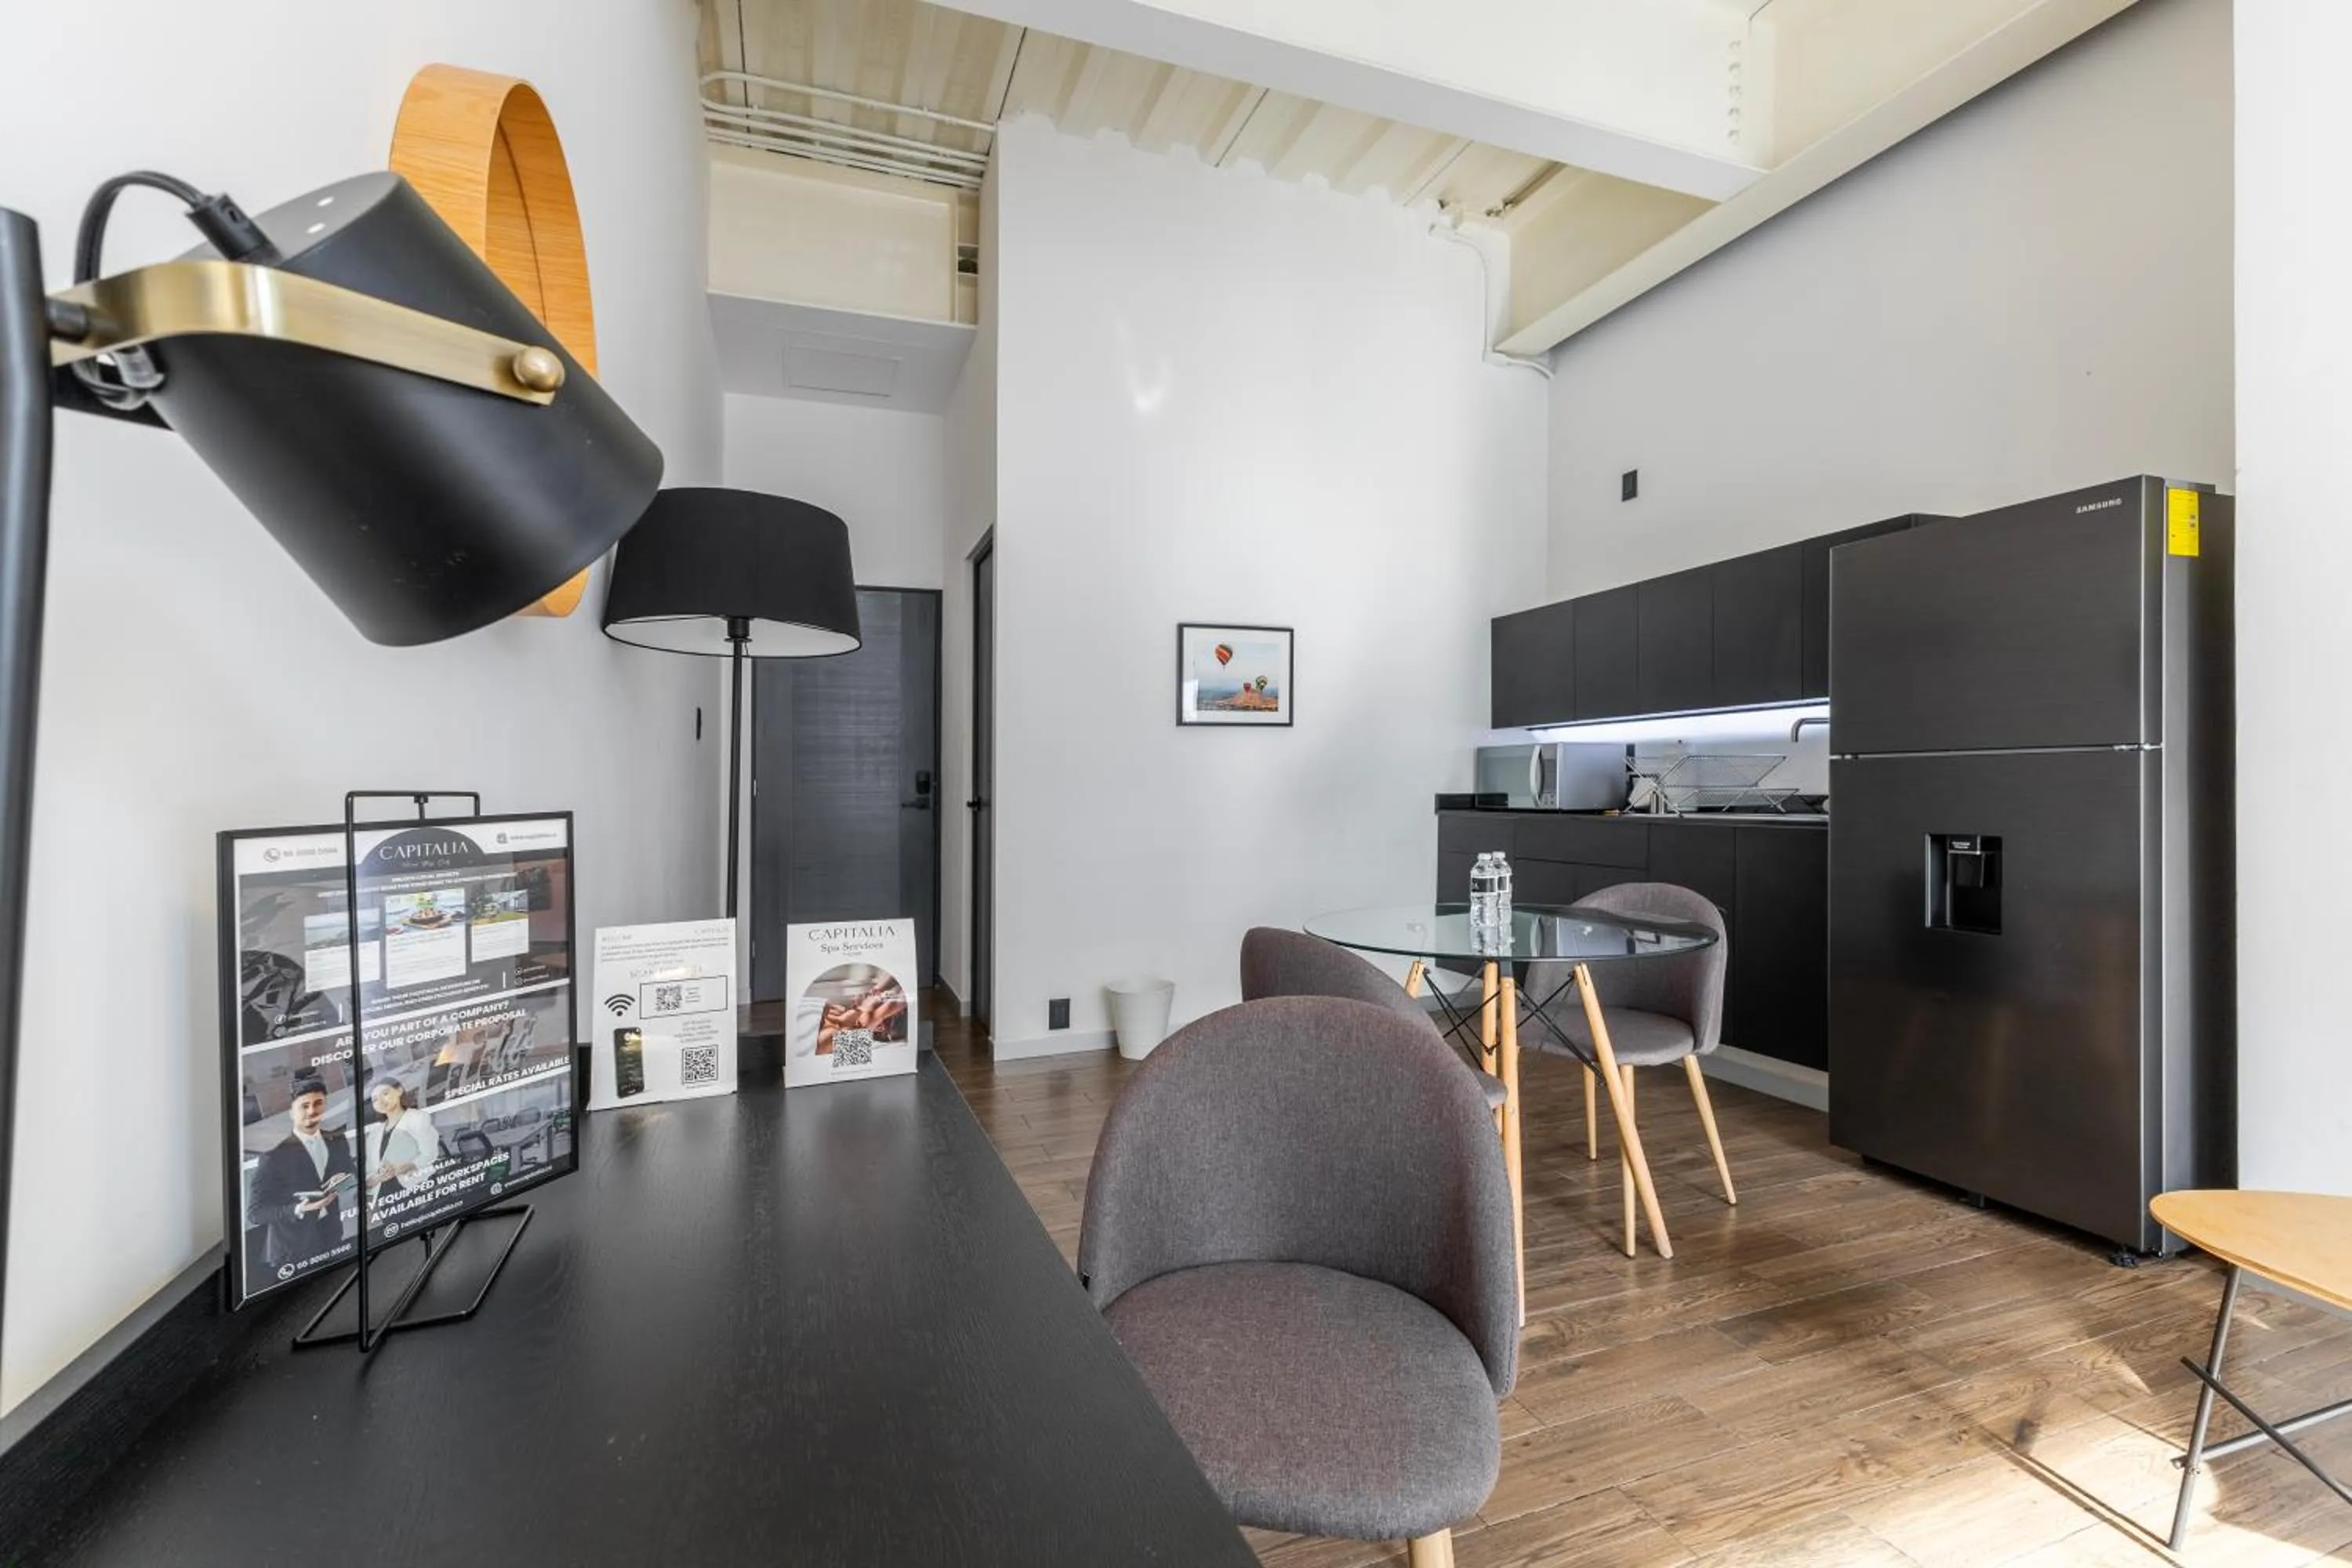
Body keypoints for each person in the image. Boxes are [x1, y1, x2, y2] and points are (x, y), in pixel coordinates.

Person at [247, 1075, 356, 1279]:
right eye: (304, 1106)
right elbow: (255, 1214)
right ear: (291, 1112)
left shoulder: (337, 1140)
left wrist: (341, 1183)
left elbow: (351, 1175)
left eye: (318, 1103)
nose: (312, 1111)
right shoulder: (273, 1157)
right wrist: (299, 1209)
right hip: (292, 1249)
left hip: (332, 1234)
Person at [363, 1078, 438, 1198]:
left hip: (415, 1187)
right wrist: (373, 1179)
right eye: (375, 1100)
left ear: (399, 1091)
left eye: (385, 1093)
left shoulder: (417, 1118)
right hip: (385, 1195)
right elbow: (370, 1170)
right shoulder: (374, 1134)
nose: (381, 1101)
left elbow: (430, 1153)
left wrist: (406, 1166)